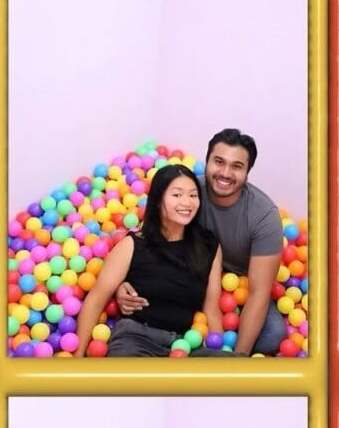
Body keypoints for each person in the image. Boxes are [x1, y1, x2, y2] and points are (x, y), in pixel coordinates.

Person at [117, 129, 286, 355]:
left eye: (237, 166)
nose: (225, 173)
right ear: (207, 161)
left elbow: (259, 293)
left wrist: (236, 359)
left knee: (273, 335)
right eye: (219, 162)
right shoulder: (189, 193)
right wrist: (124, 283)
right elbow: (151, 237)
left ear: (247, 172)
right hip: (194, 272)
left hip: (243, 282)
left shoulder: (263, 215)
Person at [74, 163, 224, 357]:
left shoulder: (209, 246)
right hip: (135, 339)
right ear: (158, 201)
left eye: (193, 195)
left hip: (185, 345)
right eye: (177, 195)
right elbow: (96, 300)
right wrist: (78, 357)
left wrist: (219, 353)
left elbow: (211, 310)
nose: (187, 202)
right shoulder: (133, 245)